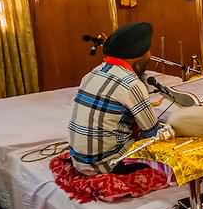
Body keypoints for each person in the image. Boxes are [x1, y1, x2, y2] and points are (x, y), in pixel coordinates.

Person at [68, 22, 160, 175]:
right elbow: (153, 134)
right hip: (107, 164)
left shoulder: (92, 73)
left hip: (79, 160)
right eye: (147, 50)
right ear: (139, 54)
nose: (150, 55)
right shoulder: (131, 84)